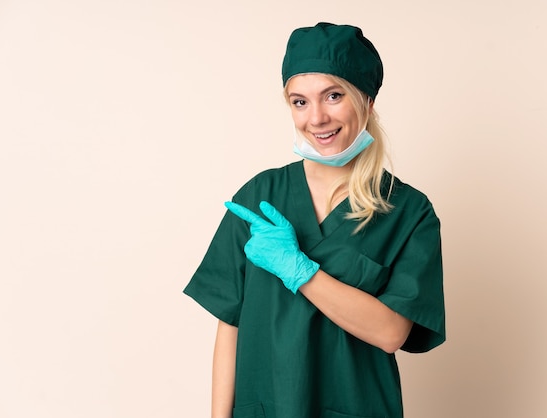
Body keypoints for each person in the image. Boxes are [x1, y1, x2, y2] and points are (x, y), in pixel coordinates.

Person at [184, 22, 445, 418]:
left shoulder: (407, 211)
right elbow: (230, 324)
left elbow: (391, 333)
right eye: (300, 102)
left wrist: (300, 270)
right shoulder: (259, 197)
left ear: (367, 100)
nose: (317, 118)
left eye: (333, 96)